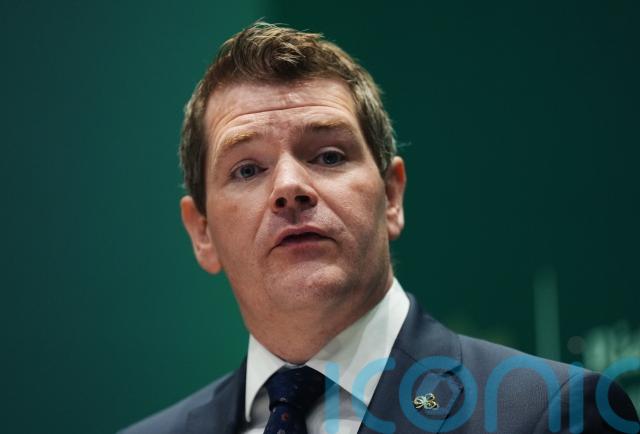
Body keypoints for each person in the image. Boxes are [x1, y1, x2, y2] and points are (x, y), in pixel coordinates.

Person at [119, 22, 639, 434]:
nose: (290, 187)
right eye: (248, 169)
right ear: (202, 233)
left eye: (328, 155)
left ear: (391, 196)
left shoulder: (553, 414)